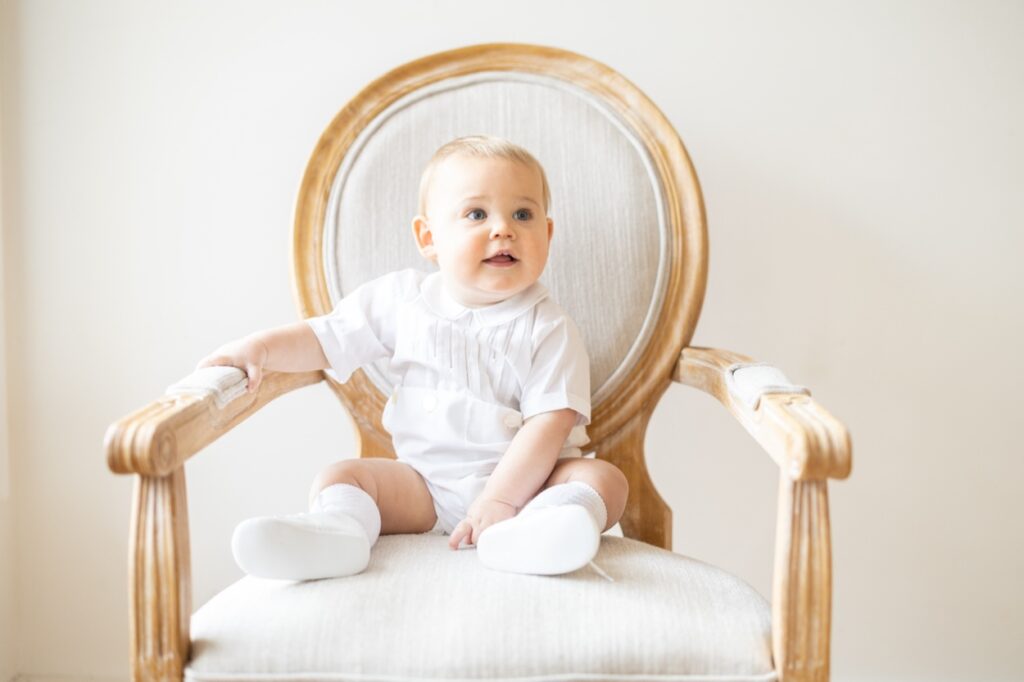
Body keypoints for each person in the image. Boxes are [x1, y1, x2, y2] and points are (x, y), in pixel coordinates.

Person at [197, 135, 629, 580]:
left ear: (547, 234)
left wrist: (501, 501)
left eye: (523, 214)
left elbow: (549, 425)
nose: (503, 229)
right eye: (476, 214)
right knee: (342, 476)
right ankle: (339, 534)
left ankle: (539, 535)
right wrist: (261, 348)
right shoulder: (403, 300)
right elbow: (326, 337)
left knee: (604, 481)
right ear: (429, 238)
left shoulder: (550, 327)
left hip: (529, 489)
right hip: (424, 486)